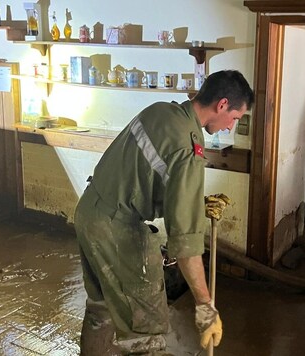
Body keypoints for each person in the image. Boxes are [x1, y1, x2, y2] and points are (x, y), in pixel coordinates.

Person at [74, 70, 254, 355]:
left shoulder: (162, 112)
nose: (230, 127)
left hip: (89, 211)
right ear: (221, 105)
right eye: (235, 118)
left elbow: (147, 173)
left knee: (102, 310)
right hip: (117, 230)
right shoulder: (188, 148)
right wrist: (205, 306)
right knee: (146, 327)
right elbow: (186, 246)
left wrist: (193, 200)